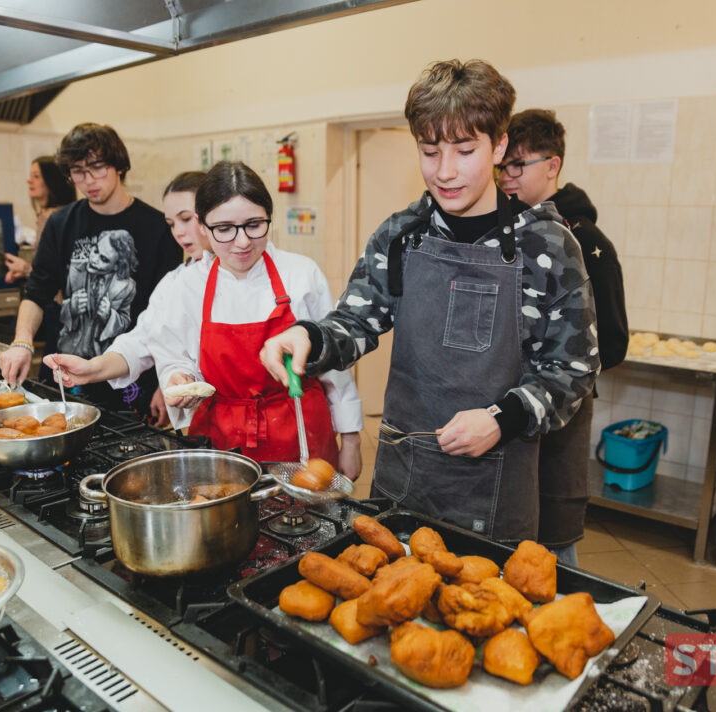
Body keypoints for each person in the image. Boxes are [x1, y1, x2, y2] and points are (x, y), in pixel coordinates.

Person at [260, 60, 599, 542]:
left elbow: (575, 368)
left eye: (465, 150)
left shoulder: (545, 246)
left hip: (495, 488)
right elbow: (356, 320)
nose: (445, 171)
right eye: (430, 151)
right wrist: (307, 336)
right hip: (403, 481)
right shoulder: (401, 235)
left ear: (499, 146)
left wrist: (504, 419)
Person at [55, 161, 362, 477]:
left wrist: (351, 440)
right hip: (222, 440)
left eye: (254, 225)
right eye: (225, 229)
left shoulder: (301, 274)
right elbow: (153, 345)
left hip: (299, 432)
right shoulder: (186, 284)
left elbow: (334, 368)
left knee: (306, 524)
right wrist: (169, 376)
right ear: (205, 226)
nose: (242, 242)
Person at [498, 109, 629, 565]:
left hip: (558, 420)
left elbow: (611, 342)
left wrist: (552, 375)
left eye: (519, 165)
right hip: (501, 412)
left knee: (552, 547)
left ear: (552, 165)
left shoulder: (587, 242)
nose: (507, 177)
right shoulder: (499, 234)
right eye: (502, 165)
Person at [0, 123, 181, 422]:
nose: (88, 180)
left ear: (119, 166)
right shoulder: (61, 223)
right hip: (66, 378)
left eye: (97, 168)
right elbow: (36, 291)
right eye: (78, 171)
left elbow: (169, 316)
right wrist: (22, 342)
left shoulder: (158, 227)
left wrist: (166, 379)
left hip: (134, 382)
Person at [41, 171, 212, 429]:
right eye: (171, 223)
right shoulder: (177, 282)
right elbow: (141, 341)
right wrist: (91, 369)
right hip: (209, 422)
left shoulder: (278, 273)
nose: (178, 233)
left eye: (186, 219)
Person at [4, 156, 77, 283]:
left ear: (52, 181)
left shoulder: (49, 217)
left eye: (36, 176)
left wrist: (25, 268)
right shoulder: (68, 213)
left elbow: (51, 271)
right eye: (31, 176)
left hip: (55, 299)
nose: (29, 180)